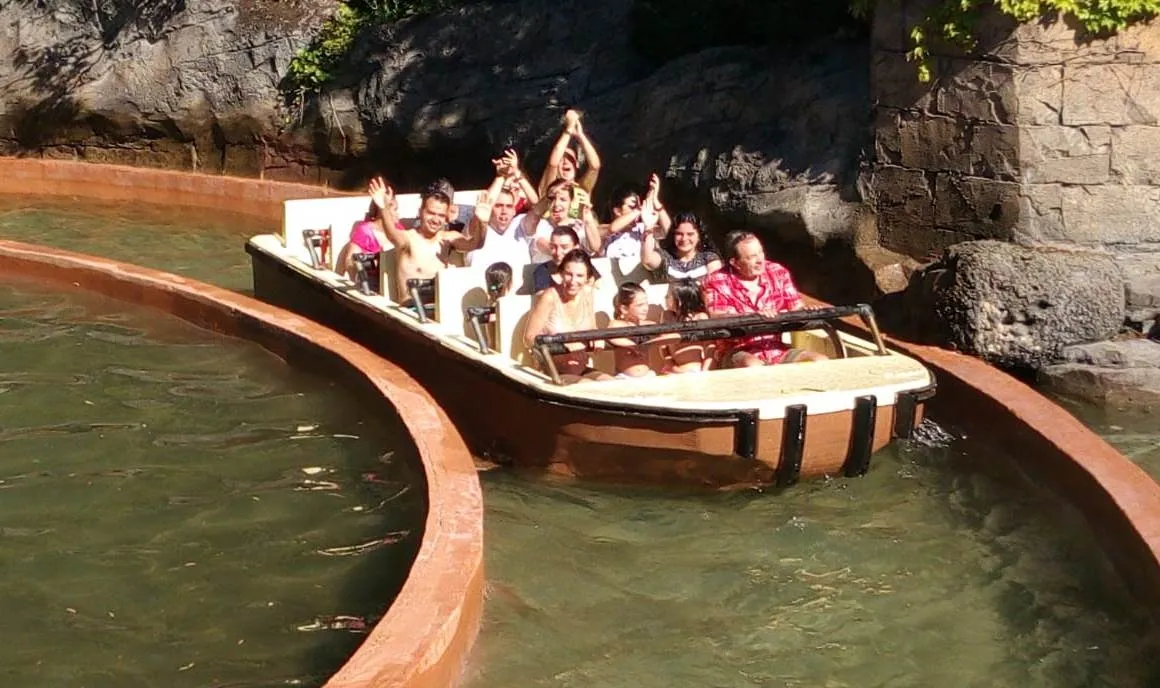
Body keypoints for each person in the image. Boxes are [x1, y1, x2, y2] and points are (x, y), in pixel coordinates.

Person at [701, 231, 826, 367]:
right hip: (737, 351)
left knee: (819, 361)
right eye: (752, 257)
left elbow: (795, 306)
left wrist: (806, 311)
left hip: (776, 349)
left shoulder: (777, 271)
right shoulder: (716, 280)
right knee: (753, 365)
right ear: (735, 262)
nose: (760, 260)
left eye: (760, 253)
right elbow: (718, 316)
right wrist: (754, 316)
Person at [368, 176, 477, 306]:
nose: (436, 220)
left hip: (441, 309)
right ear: (420, 212)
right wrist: (383, 208)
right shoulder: (408, 239)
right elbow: (391, 233)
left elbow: (475, 244)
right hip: (412, 312)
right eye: (431, 213)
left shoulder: (448, 238)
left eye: (441, 215)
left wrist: (483, 223)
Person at [524, 249, 612, 383]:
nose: (573, 281)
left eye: (580, 276)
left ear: (588, 278)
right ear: (561, 274)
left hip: (581, 368)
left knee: (613, 384)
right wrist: (562, 345)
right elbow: (529, 338)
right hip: (553, 372)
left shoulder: (588, 293)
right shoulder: (549, 297)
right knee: (586, 387)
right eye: (569, 274)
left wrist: (597, 337)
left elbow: (592, 328)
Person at [463, 150, 538, 269]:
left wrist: (517, 173)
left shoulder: (521, 225)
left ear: (514, 209)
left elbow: (537, 207)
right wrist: (500, 176)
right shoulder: (477, 228)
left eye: (509, 206)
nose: (504, 211)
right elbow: (485, 206)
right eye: (498, 206)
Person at [523, 179, 602, 264]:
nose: (556, 204)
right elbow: (542, 244)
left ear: (571, 201)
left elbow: (595, 247)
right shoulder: (540, 224)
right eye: (552, 199)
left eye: (563, 199)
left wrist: (588, 219)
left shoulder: (579, 225)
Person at [602, 173, 671, 262]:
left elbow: (666, 229)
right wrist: (638, 210)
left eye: (639, 206)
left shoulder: (643, 229)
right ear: (617, 211)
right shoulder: (604, 229)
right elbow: (612, 228)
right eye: (631, 207)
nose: (638, 210)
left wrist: (655, 200)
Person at [536, 109, 602, 198]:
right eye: (561, 159)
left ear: (577, 164)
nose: (565, 161)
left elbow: (595, 167)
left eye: (570, 158)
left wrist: (580, 135)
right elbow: (553, 163)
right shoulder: (548, 189)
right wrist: (568, 130)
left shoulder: (582, 189)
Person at [641, 211, 722, 282]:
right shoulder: (665, 257)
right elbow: (648, 260)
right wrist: (649, 229)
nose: (684, 239)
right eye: (679, 234)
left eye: (690, 234)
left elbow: (716, 286)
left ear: (699, 236)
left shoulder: (709, 258)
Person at [658, 279, 715, 374]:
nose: (665, 297)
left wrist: (704, 372)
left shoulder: (700, 317)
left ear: (679, 301)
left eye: (668, 296)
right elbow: (663, 347)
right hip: (672, 369)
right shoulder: (667, 316)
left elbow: (710, 348)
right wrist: (672, 366)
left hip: (695, 369)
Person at [605, 282, 659, 378]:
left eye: (646, 304)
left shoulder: (648, 325)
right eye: (640, 305)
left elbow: (666, 335)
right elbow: (610, 335)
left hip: (647, 376)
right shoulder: (617, 324)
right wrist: (633, 346)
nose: (645, 308)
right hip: (625, 378)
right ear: (624, 309)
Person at [530, 226, 581, 293]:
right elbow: (543, 299)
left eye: (564, 247)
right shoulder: (543, 271)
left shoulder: (584, 266)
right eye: (553, 247)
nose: (558, 252)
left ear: (576, 248)